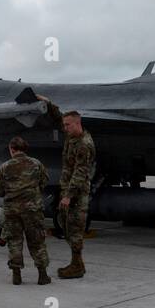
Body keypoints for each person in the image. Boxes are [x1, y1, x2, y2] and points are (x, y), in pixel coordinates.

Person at [38, 95, 95, 278]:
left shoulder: (84, 145)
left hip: (77, 193)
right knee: (66, 225)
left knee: (75, 229)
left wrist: (68, 196)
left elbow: (80, 172)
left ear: (77, 124)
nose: (65, 128)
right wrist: (47, 103)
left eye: (68, 125)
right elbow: (59, 116)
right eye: (64, 125)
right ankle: (77, 263)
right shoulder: (72, 136)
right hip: (69, 189)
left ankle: (77, 266)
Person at [0, 135, 51, 286]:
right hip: (33, 210)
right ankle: (42, 275)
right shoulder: (36, 164)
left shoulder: (5, 167)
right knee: (37, 242)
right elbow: (44, 182)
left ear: (12, 149)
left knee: (14, 242)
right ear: (25, 149)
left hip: (12, 212)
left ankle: (16, 275)